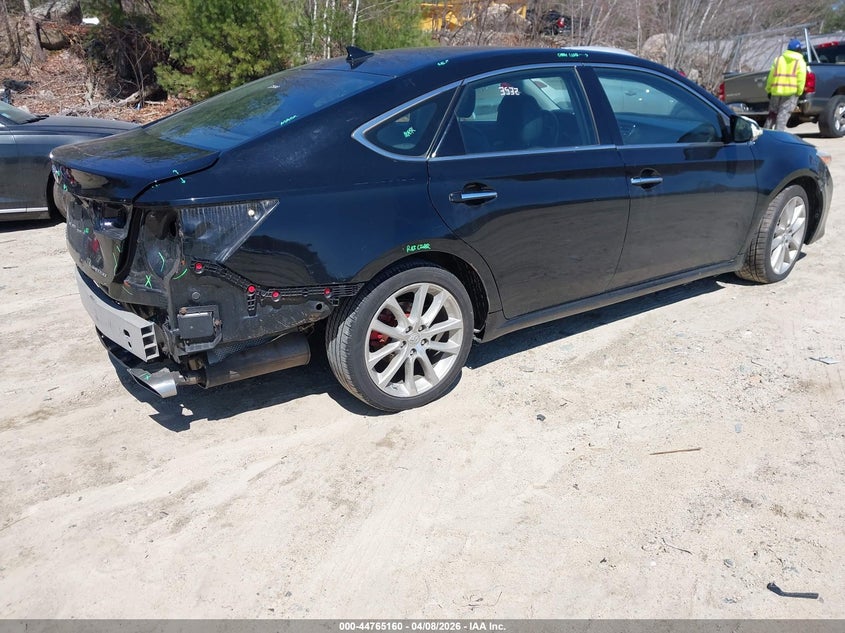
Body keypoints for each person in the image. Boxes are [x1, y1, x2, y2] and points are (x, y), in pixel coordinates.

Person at [765, 39, 808, 131]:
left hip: (775, 91)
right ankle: (778, 136)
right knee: (783, 115)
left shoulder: (778, 60)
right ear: (799, 49)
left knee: (772, 114)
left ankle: (765, 133)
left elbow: (771, 76)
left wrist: (769, 90)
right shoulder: (800, 62)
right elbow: (801, 79)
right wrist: (800, 92)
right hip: (790, 94)